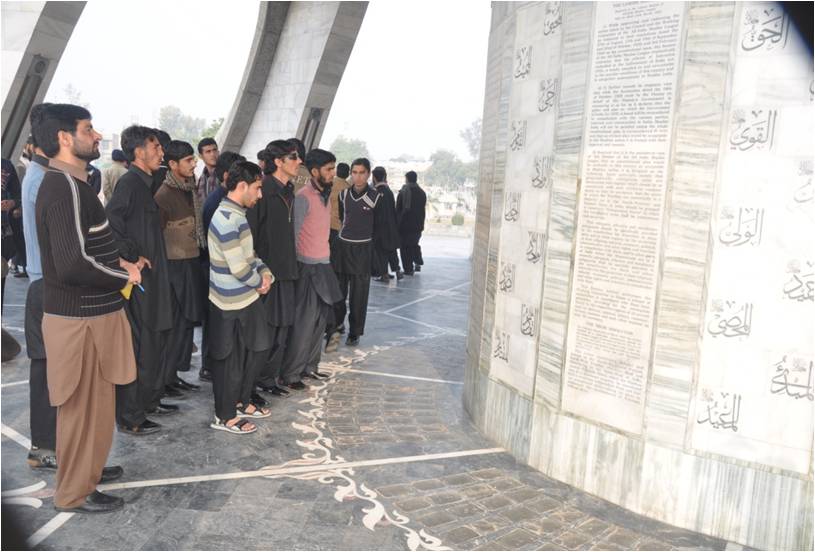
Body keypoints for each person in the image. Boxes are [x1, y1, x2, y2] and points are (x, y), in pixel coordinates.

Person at [34, 103, 142, 512]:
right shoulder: (61, 187)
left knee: (96, 406)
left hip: (94, 315)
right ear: (65, 137)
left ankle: (87, 470)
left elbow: (91, 247)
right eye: (88, 128)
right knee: (81, 408)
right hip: (78, 320)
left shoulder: (75, 184)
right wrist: (124, 277)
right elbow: (72, 263)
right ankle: (75, 491)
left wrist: (120, 263)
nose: (97, 136)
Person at [107, 125, 177, 435]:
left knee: (155, 341)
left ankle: (149, 400)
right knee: (140, 347)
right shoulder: (130, 184)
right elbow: (111, 223)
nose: (161, 153)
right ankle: (131, 417)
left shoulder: (144, 183)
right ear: (138, 152)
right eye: (156, 148)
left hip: (155, 277)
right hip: (140, 282)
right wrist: (130, 256)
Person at [207, 160, 272, 433]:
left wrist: (265, 272)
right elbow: (238, 267)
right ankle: (224, 416)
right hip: (228, 303)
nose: (259, 195)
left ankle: (242, 400)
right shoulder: (225, 219)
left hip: (246, 297)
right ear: (242, 186)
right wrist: (260, 282)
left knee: (258, 349)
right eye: (257, 188)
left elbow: (249, 256)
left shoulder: (238, 215)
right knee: (229, 360)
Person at [281, 149, 342, 389]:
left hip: (324, 266)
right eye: (329, 169)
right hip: (306, 267)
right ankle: (291, 374)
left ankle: (309, 368)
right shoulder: (303, 197)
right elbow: (293, 237)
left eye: (334, 168)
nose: (333, 173)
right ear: (315, 171)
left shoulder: (327, 196)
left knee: (319, 323)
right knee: (304, 324)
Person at [247, 140, 301, 399]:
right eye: (293, 157)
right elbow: (251, 237)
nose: (299, 161)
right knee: (263, 334)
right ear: (278, 162)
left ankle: (268, 379)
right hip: (266, 274)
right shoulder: (263, 191)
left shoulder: (289, 190)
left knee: (281, 331)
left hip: (287, 271)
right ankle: (251, 385)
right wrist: (259, 273)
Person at [21, 103, 57, 470]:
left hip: (46, 283)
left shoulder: (43, 177)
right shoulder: (39, 181)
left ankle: (55, 446)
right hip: (44, 285)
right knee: (47, 372)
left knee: (54, 371)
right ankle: (45, 447)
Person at [154, 140, 205, 396]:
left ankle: (173, 376)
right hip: (173, 270)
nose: (193, 164)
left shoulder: (188, 189)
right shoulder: (164, 195)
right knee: (174, 326)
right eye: (188, 160)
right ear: (172, 164)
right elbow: (156, 238)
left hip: (190, 264)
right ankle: (163, 379)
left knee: (185, 326)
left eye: (193, 159)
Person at [199, 151, 245, 382]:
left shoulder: (225, 200)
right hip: (215, 270)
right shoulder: (218, 204)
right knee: (215, 320)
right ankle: (209, 365)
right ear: (227, 175)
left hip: (221, 270)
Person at [330, 158, 379, 348]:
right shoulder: (342, 195)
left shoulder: (376, 197)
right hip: (343, 248)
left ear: (368, 174)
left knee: (359, 295)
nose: (358, 176)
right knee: (339, 292)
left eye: (362, 172)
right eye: (355, 172)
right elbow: (343, 218)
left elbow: (379, 226)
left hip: (363, 249)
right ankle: (336, 325)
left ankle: (355, 332)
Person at [371, 166, 402, 282]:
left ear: (374, 177)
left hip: (379, 228)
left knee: (381, 252)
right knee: (391, 250)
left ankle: (384, 275)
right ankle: (398, 270)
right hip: (391, 226)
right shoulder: (389, 192)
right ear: (385, 176)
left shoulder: (375, 192)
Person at [397, 171, 427, 275]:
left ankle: (408, 269)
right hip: (418, 225)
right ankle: (417, 260)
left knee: (405, 248)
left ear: (407, 179)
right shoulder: (422, 192)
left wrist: (397, 224)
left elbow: (399, 210)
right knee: (414, 244)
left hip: (405, 225)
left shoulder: (403, 192)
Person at [196, 137, 220, 205]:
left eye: (214, 150)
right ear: (201, 156)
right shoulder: (201, 179)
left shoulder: (224, 175)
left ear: (218, 152)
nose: (212, 154)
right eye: (208, 152)